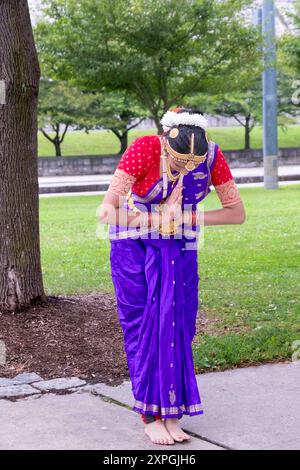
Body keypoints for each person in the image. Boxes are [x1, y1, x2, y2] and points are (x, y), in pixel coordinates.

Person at [99, 107, 245, 446]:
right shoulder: (143, 149)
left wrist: (185, 217)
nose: (186, 171)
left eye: (193, 167)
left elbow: (236, 214)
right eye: (179, 164)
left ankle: (172, 411)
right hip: (133, 246)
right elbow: (107, 212)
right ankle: (150, 415)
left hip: (179, 246)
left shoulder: (211, 156)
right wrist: (157, 219)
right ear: (166, 144)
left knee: (178, 323)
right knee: (143, 323)